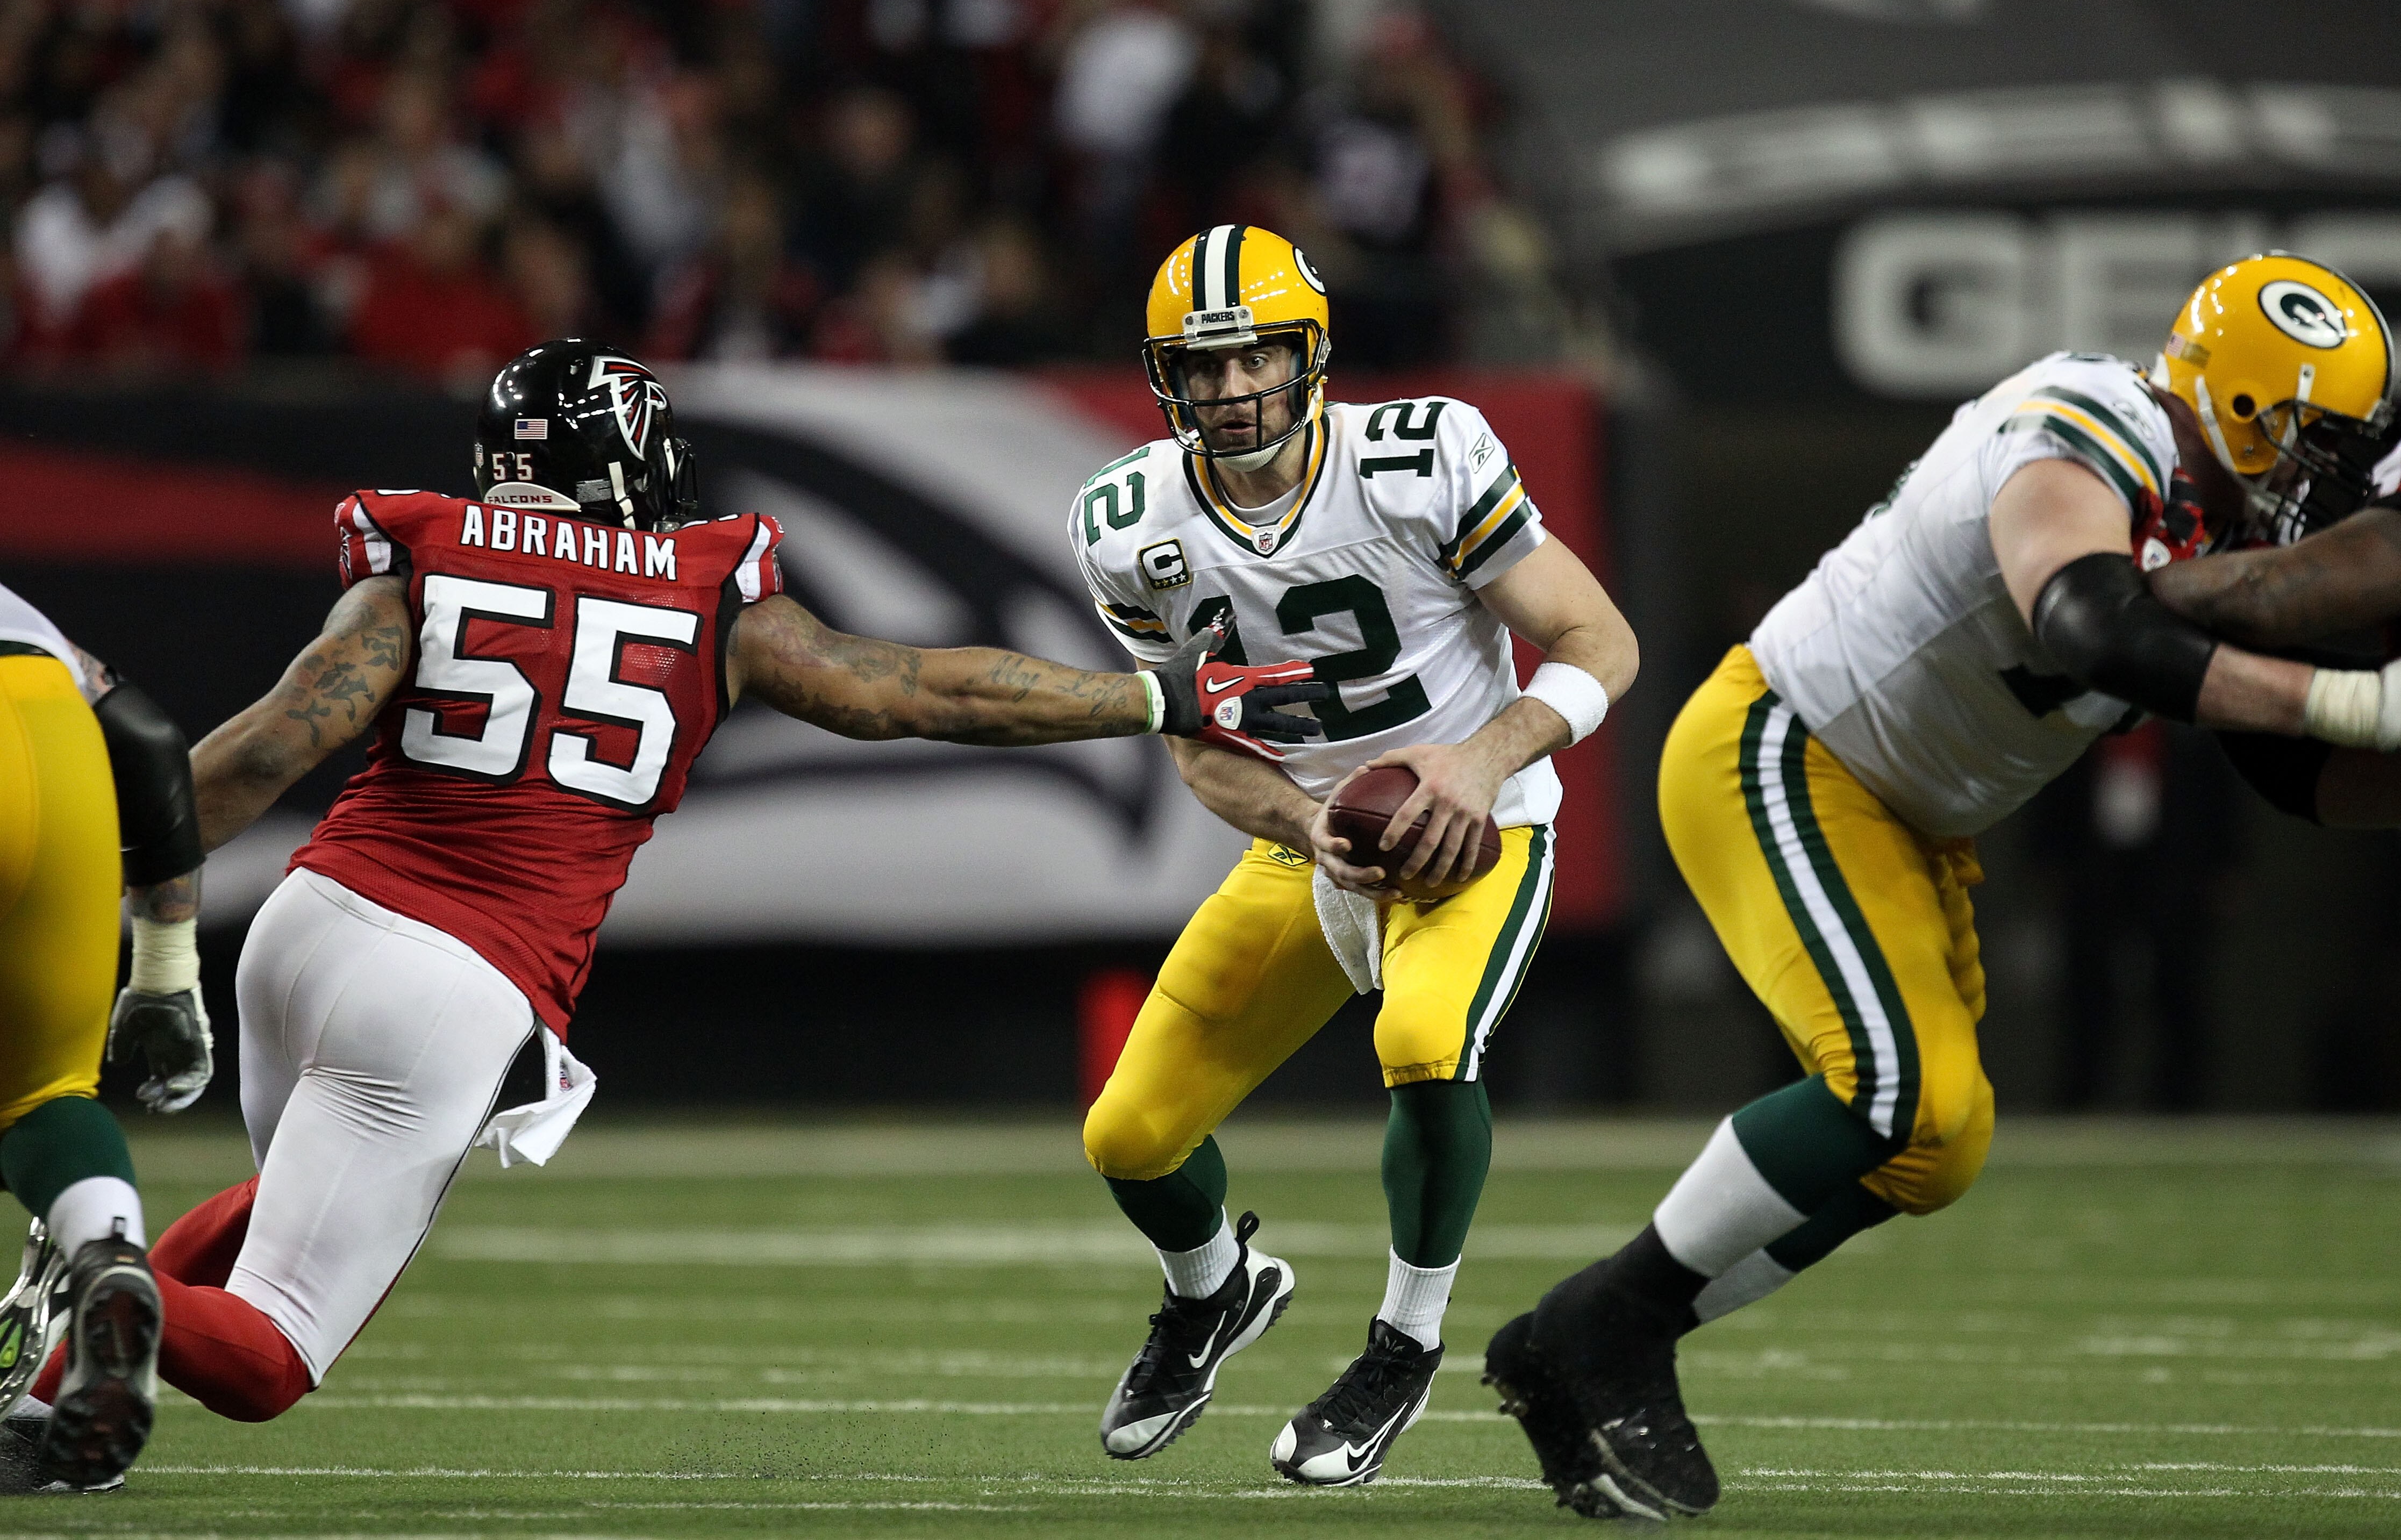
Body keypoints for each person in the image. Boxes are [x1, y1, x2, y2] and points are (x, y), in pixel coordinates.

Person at [14, 339, 1326, 1434]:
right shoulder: (709, 592)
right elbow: (921, 693)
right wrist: (1155, 694)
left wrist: (121, 901)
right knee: (268, 1355)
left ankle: (51, 1387)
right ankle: (101, 1281)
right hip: (452, 983)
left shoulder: (430, 552)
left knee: (286, 1202)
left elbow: (270, 745)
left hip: (302, 930)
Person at [1484, 253, 2401, 1522]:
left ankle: (1568, 1336)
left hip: (1902, 816)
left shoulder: (2223, 527)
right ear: (2246, 403)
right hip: (1784, 744)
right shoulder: (2090, 415)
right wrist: (2360, 698)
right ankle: (1610, 1324)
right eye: (2320, 443)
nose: (2329, 481)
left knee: (1934, 1142)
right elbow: (2090, 622)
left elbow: (2289, 772)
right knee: (1889, 1086)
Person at [1074, 224, 1637, 1485]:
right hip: (1315, 840)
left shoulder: (1417, 461)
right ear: (1168, 377)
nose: (1230, 389)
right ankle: (1213, 1290)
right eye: (1201, 366)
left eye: (1254, 357)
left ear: (1310, 353)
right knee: (1129, 1134)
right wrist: (1304, 825)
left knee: (1424, 1041)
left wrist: (1478, 762)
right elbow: (1194, 747)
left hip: (1474, 829)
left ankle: (1403, 1345)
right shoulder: (1129, 524)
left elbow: (1600, 640)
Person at [0, 584, 213, 1493]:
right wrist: (165, 964)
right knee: (42, 1093)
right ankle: (107, 1249)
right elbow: (150, 737)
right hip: (52, 727)